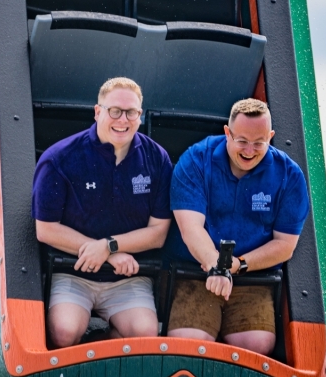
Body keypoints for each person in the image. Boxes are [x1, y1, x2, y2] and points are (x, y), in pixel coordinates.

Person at [33, 77, 172, 347]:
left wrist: (109, 246)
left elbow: (158, 233)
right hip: (73, 270)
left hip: (128, 276)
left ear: (140, 116)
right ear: (98, 112)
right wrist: (108, 253)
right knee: (63, 332)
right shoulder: (59, 157)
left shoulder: (157, 159)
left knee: (144, 335)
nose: (123, 119)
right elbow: (45, 229)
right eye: (114, 111)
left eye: (131, 112)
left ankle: (100, 340)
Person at [165, 98, 309, 355]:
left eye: (259, 143)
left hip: (253, 276)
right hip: (195, 273)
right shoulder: (196, 160)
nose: (249, 150)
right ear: (227, 133)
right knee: (189, 342)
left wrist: (237, 265)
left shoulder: (290, 175)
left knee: (257, 345)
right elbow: (191, 229)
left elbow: (285, 245)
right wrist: (215, 266)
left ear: (271, 137)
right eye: (242, 141)